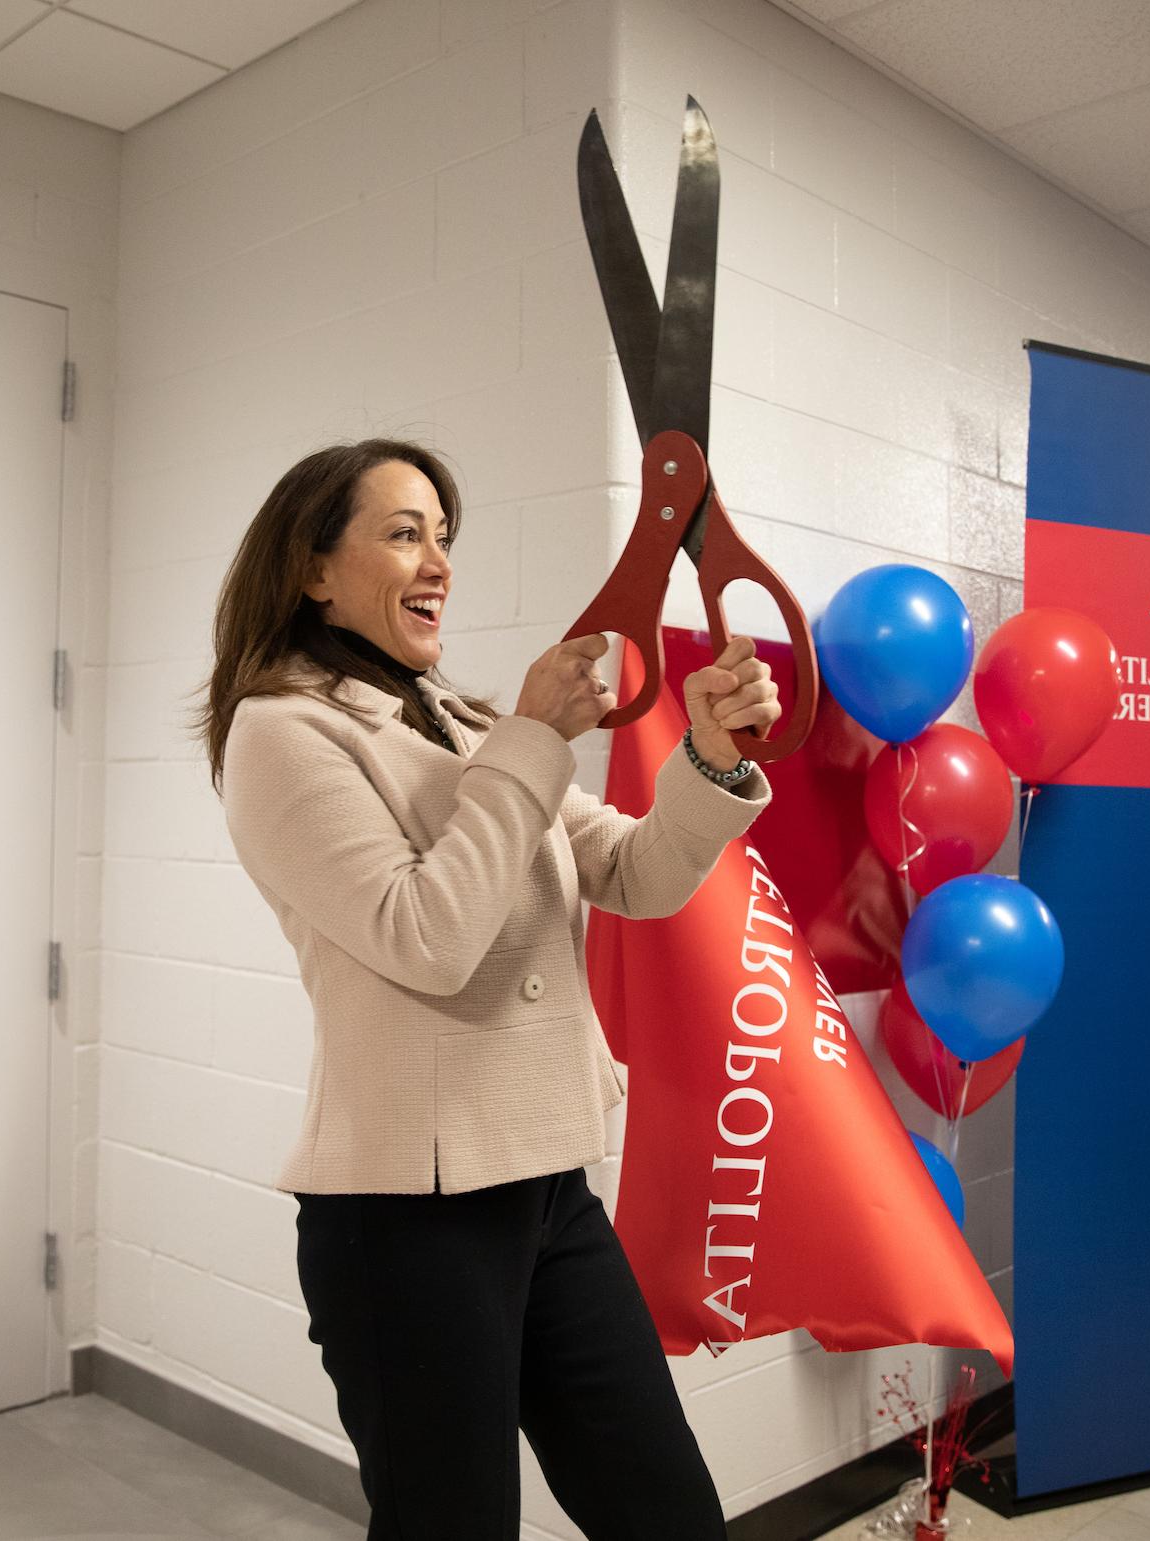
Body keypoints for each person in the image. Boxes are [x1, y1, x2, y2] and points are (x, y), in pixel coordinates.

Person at [201, 440, 779, 1539]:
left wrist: (706, 755)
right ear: (313, 570)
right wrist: (528, 741)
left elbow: (636, 873)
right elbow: (428, 937)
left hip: (548, 1189)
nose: (439, 562)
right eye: (404, 532)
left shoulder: (462, 728)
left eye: (445, 535)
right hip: (405, 1221)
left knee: (669, 1512)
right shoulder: (281, 732)